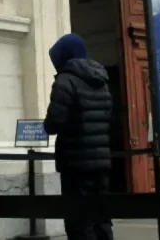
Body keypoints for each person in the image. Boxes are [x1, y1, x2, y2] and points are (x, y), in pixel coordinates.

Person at [44, 33, 114, 240]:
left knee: (79, 221)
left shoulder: (65, 81)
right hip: (101, 161)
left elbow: (53, 123)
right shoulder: (102, 80)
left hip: (75, 162)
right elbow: (108, 118)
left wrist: (49, 125)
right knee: (101, 218)